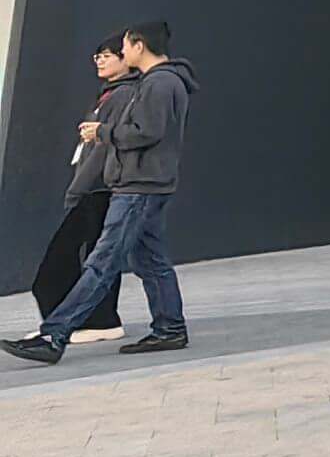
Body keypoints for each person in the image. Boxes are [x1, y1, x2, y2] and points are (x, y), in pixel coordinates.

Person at [5, 22, 197, 366]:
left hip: (137, 188)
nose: (122, 52)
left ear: (140, 46)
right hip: (145, 185)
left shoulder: (159, 83)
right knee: (151, 262)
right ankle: (170, 328)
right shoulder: (159, 82)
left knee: (101, 263)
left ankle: (54, 335)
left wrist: (103, 132)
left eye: (124, 46)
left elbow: (147, 131)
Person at [25, 39, 137, 345]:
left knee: (64, 261)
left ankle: (91, 322)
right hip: (95, 188)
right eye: (97, 56)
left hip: (98, 189)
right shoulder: (108, 93)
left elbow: (103, 150)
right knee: (97, 259)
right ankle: (90, 321)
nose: (99, 61)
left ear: (125, 58)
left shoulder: (124, 94)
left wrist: (78, 187)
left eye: (107, 55)